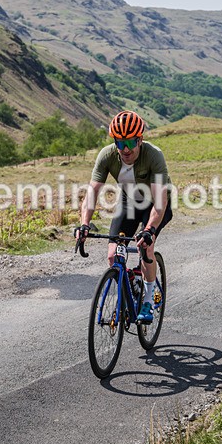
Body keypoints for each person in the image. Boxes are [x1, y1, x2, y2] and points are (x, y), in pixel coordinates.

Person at [76, 110, 172, 323]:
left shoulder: (153, 155)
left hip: (157, 203)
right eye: (120, 143)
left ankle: (147, 300)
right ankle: (129, 282)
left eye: (130, 142)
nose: (126, 149)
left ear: (140, 140)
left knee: (145, 245)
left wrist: (149, 230)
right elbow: (91, 194)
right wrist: (84, 224)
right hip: (129, 202)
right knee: (113, 255)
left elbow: (160, 203)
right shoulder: (107, 156)